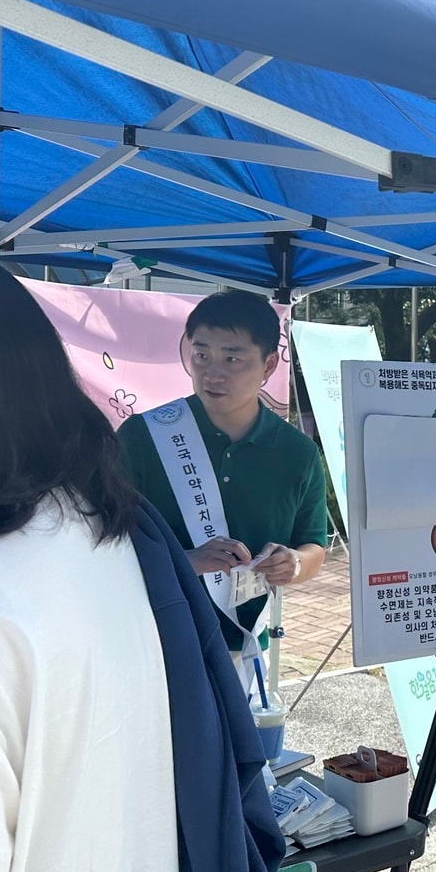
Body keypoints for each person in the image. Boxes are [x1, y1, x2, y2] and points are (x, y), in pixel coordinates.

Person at [117, 290, 327, 688]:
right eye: (201, 355)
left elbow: (313, 546)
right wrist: (187, 560)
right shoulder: (142, 436)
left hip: (242, 646)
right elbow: (101, 539)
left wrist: (292, 564)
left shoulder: (296, 453)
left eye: (232, 359)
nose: (212, 373)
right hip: (150, 637)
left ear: (268, 365)